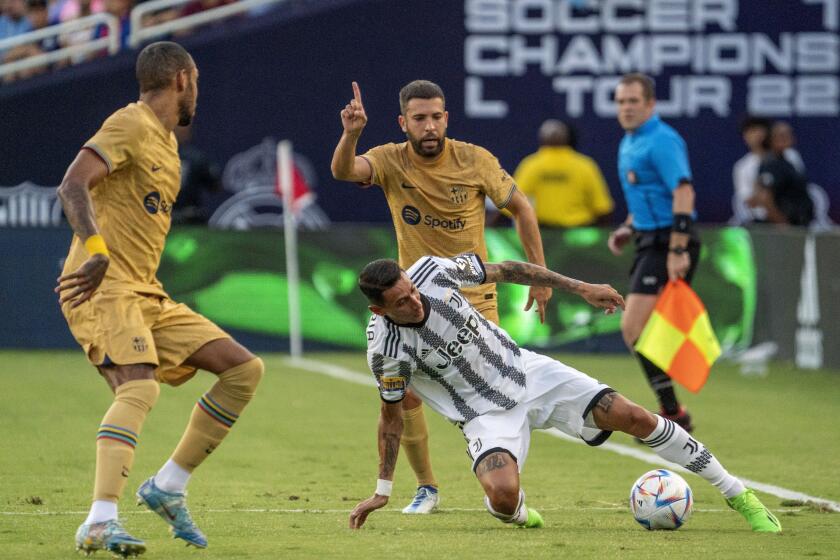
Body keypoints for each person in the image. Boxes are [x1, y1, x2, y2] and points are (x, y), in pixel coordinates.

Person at [348, 253, 781, 534]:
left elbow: (507, 270)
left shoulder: (432, 272)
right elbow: (391, 415)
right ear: (379, 309)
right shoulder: (386, 350)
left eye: (411, 291)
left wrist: (580, 288)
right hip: (483, 415)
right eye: (401, 302)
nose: (415, 302)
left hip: (528, 371)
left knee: (635, 417)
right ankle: (519, 514)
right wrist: (384, 487)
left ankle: (739, 494)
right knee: (501, 497)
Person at [56, 41, 264, 557]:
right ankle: (100, 521)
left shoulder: (166, 143)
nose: (198, 93)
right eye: (197, 83)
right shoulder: (129, 123)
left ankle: (168, 486)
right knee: (139, 389)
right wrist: (97, 249)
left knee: (243, 370)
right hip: (101, 285)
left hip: (146, 290)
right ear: (182, 80)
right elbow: (72, 185)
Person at [331, 80, 551, 514]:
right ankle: (426, 488)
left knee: (490, 396)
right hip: (414, 302)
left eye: (436, 116)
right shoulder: (390, 159)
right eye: (419, 119)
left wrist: (539, 278)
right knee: (404, 394)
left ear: (446, 117)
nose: (429, 126)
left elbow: (522, 207)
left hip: (475, 302)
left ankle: (502, 484)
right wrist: (352, 132)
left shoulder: (475, 159)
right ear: (403, 122)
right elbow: (343, 171)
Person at [607, 73, 700, 433]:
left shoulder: (662, 140)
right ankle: (674, 412)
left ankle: (673, 414)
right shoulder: (629, 141)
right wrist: (629, 228)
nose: (626, 108)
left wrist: (678, 248)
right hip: (649, 239)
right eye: (621, 102)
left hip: (669, 241)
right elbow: (647, 196)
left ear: (650, 104)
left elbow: (683, 192)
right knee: (643, 332)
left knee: (633, 328)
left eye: (633, 101)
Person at [513, 119, 614, 228]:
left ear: (541, 139)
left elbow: (511, 201)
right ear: (568, 139)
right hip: (578, 234)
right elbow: (602, 209)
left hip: (545, 234)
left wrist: (494, 227)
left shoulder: (532, 165)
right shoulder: (584, 165)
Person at [751, 121, 814, 226]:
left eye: (788, 134)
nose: (786, 139)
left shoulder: (787, 161)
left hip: (798, 222)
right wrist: (782, 223)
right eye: (781, 136)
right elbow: (765, 197)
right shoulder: (770, 163)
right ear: (771, 140)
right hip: (783, 226)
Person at [731, 116, 772, 225]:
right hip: (758, 223)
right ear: (745, 136)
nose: (757, 135)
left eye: (760, 129)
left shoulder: (789, 156)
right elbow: (748, 200)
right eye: (752, 131)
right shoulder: (742, 167)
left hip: (790, 220)